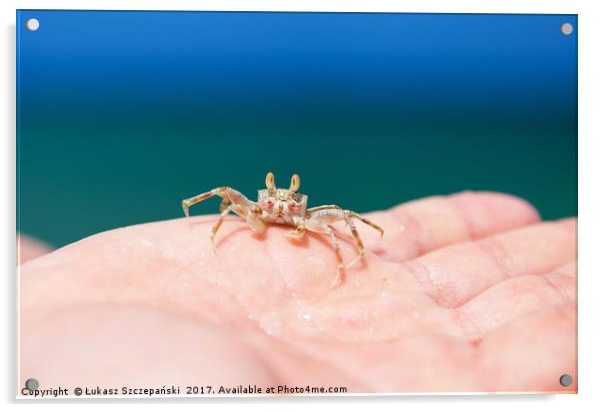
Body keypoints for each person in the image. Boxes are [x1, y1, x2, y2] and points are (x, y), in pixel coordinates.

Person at [18, 191, 576, 394]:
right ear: (268, 196)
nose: (282, 205)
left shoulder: (307, 216)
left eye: (289, 199)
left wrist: (359, 246)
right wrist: (204, 219)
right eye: (276, 198)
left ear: (294, 199)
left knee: (345, 225)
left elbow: (346, 220)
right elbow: (222, 199)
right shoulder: (253, 208)